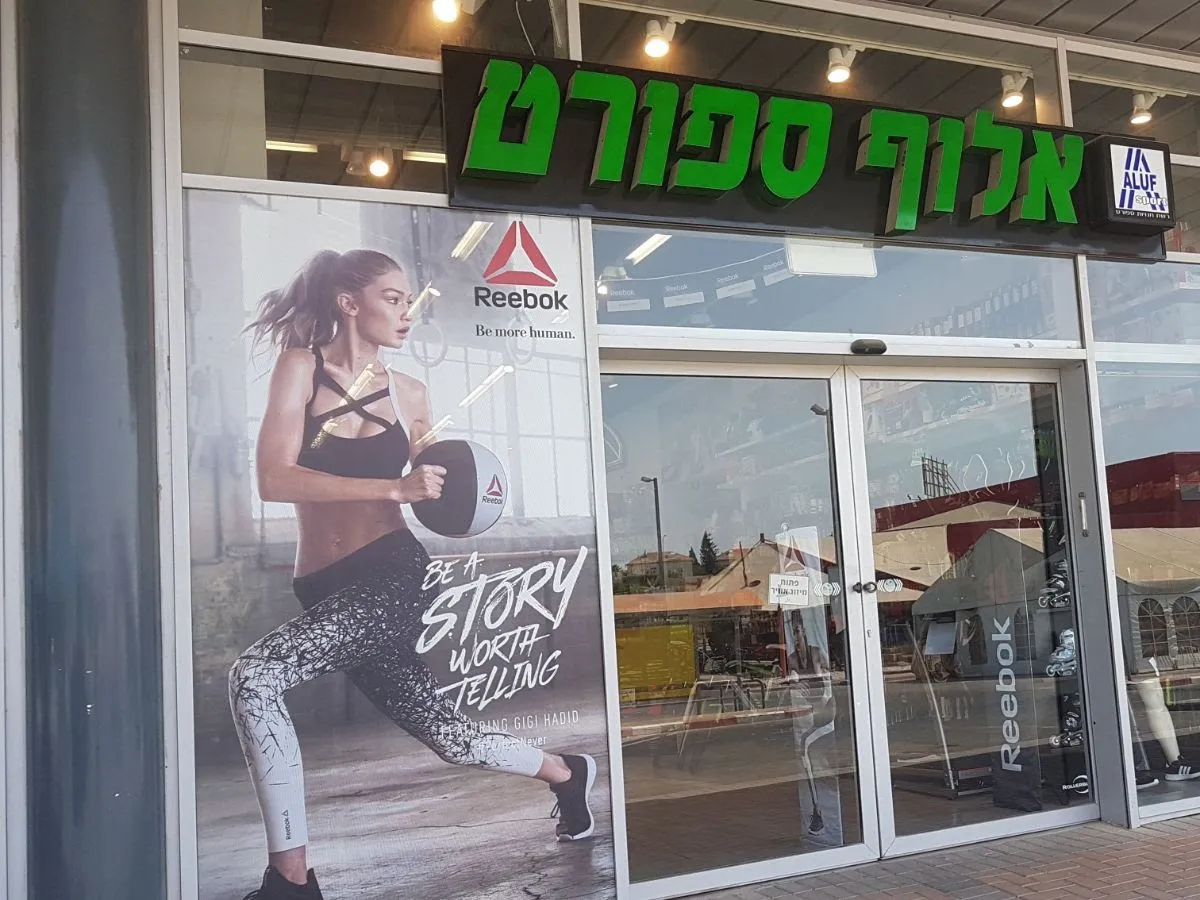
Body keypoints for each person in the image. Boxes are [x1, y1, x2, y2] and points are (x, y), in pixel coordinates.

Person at [230, 249, 596, 900]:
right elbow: (274, 478)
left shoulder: (411, 394)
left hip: (391, 574)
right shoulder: (301, 367)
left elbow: (440, 490)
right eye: (394, 298)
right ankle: (567, 773)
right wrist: (394, 486)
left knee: (255, 679)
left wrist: (461, 492)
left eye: (409, 301)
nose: (407, 312)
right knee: (447, 736)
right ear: (349, 303)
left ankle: (290, 881)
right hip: (321, 583)